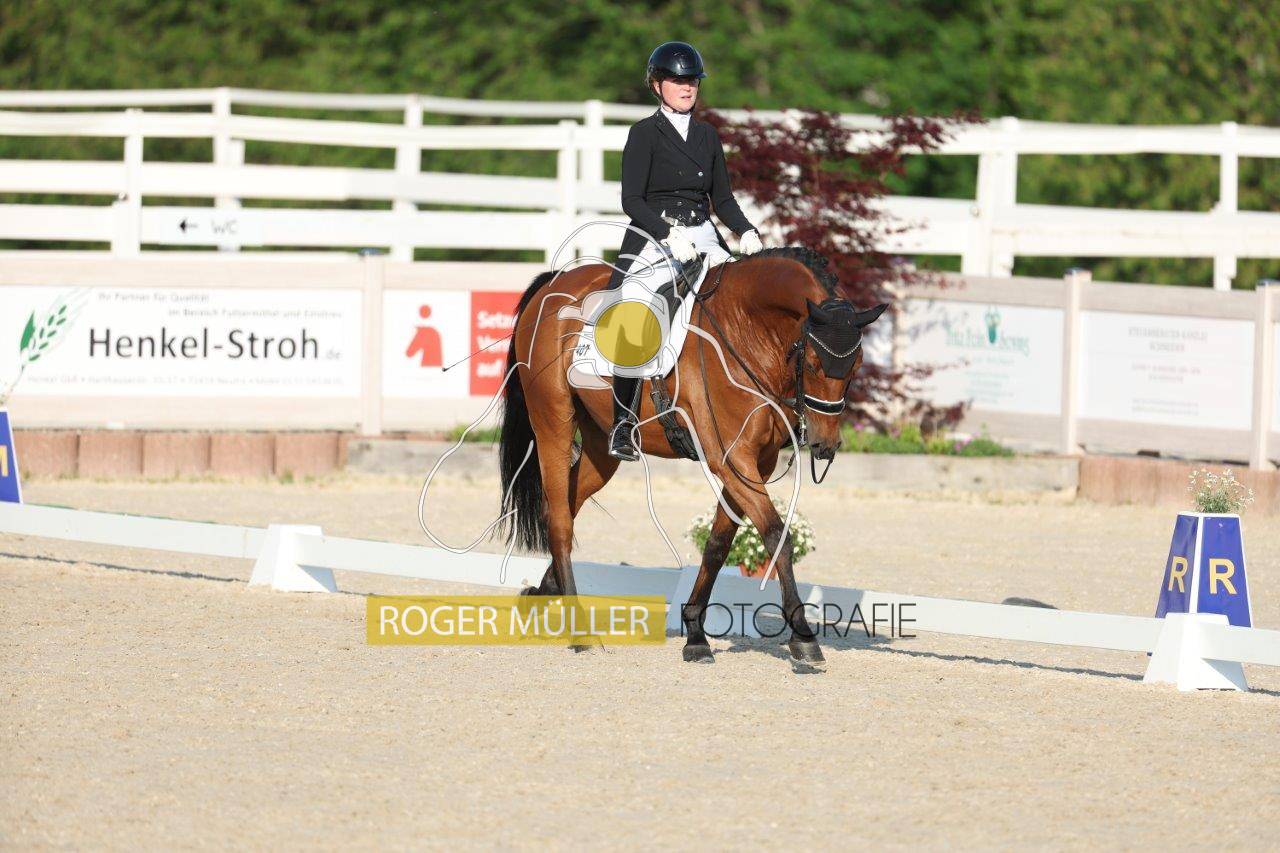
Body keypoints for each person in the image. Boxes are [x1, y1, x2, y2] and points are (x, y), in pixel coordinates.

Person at [605, 40, 764, 462]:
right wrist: (666, 232)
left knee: (740, 298)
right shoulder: (644, 134)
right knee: (635, 305)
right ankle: (622, 422)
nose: (687, 87)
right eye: (677, 81)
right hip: (655, 234)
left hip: (703, 234)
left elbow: (722, 199)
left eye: (692, 80)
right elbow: (631, 200)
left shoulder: (708, 135)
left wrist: (745, 230)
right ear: (657, 85)